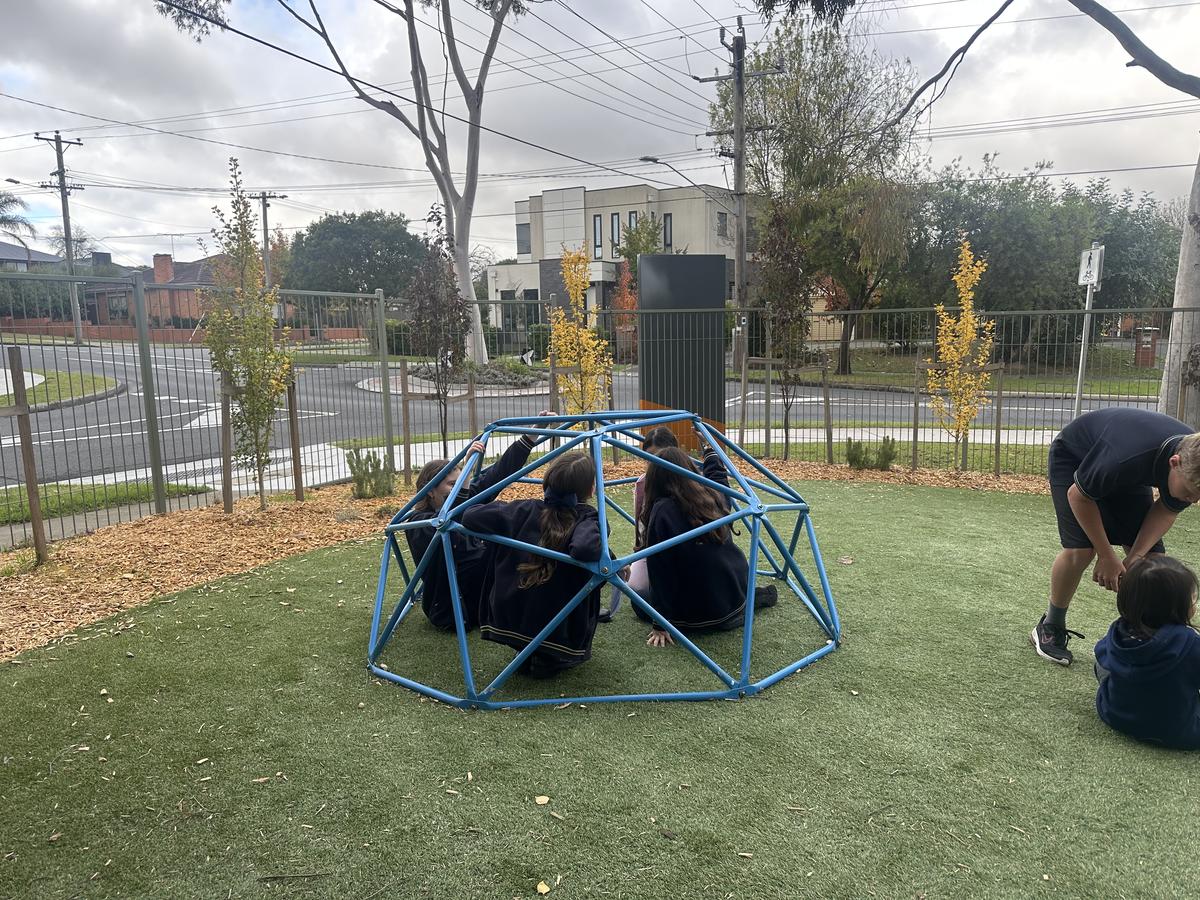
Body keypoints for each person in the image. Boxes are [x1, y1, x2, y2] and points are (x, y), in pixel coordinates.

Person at [1033, 408, 1200, 666]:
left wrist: (1137, 556)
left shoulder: (1193, 462)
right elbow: (1078, 496)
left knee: (1153, 562)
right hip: (1076, 457)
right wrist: (1106, 555)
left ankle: (1151, 635)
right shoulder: (1125, 458)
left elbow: (1167, 510)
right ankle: (1050, 625)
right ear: (1174, 463)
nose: (1194, 500)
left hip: (1126, 473)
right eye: (1190, 492)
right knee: (1081, 550)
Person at [463, 451, 603, 678]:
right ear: (590, 490)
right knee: (592, 571)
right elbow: (585, 549)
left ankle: (529, 651)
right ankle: (548, 656)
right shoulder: (586, 518)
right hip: (558, 626)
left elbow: (470, 516)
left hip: (507, 616)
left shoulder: (522, 509)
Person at [403, 426, 544, 632]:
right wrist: (466, 474)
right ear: (430, 491)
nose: (458, 488)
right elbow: (451, 518)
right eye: (452, 484)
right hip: (454, 608)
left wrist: (531, 436)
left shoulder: (463, 501)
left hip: (481, 587)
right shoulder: (419, 523)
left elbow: (499, 474)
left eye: (459, 483)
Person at [637, 443, 777, 648]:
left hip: (696, 616)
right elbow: (720, 480)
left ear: (654, 479)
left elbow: (660, 571)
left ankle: (742, 604)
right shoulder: (709, 495)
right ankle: (747, 602)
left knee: (638, 600)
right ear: (689, 469)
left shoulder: (662, 510)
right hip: (733, 598)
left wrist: (660, 623)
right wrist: (709, 450)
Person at [1094, 556, 1200, 749]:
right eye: (1192, 598)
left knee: (1103, 664)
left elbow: (1101, 656)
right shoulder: (1191, 642)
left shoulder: (1119, 631)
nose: (1195, 602)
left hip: (1114, 715)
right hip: (1181, 732)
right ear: (1177, 606)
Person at [603, 426, 680, 621]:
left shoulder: (692, 480)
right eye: (648, 458)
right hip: (653, 550)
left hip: (683, 553)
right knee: (638, 593)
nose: (652, 464)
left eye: (658, 457)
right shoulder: (643, 483)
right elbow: (641, 528)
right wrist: (640, 553)